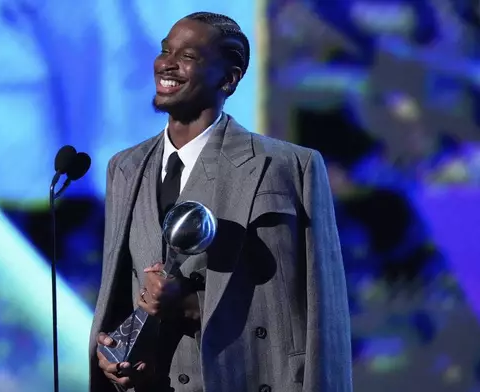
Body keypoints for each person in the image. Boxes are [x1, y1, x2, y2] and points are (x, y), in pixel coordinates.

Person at [89, 11, 352, 392]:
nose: (167, 63)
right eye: (166, 51)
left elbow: (324, 315)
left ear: (228, 79)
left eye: (189, 56)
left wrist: (191, 307)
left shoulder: (290, 166)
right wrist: (115, 353)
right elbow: (118, 296)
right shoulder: (124, 168)